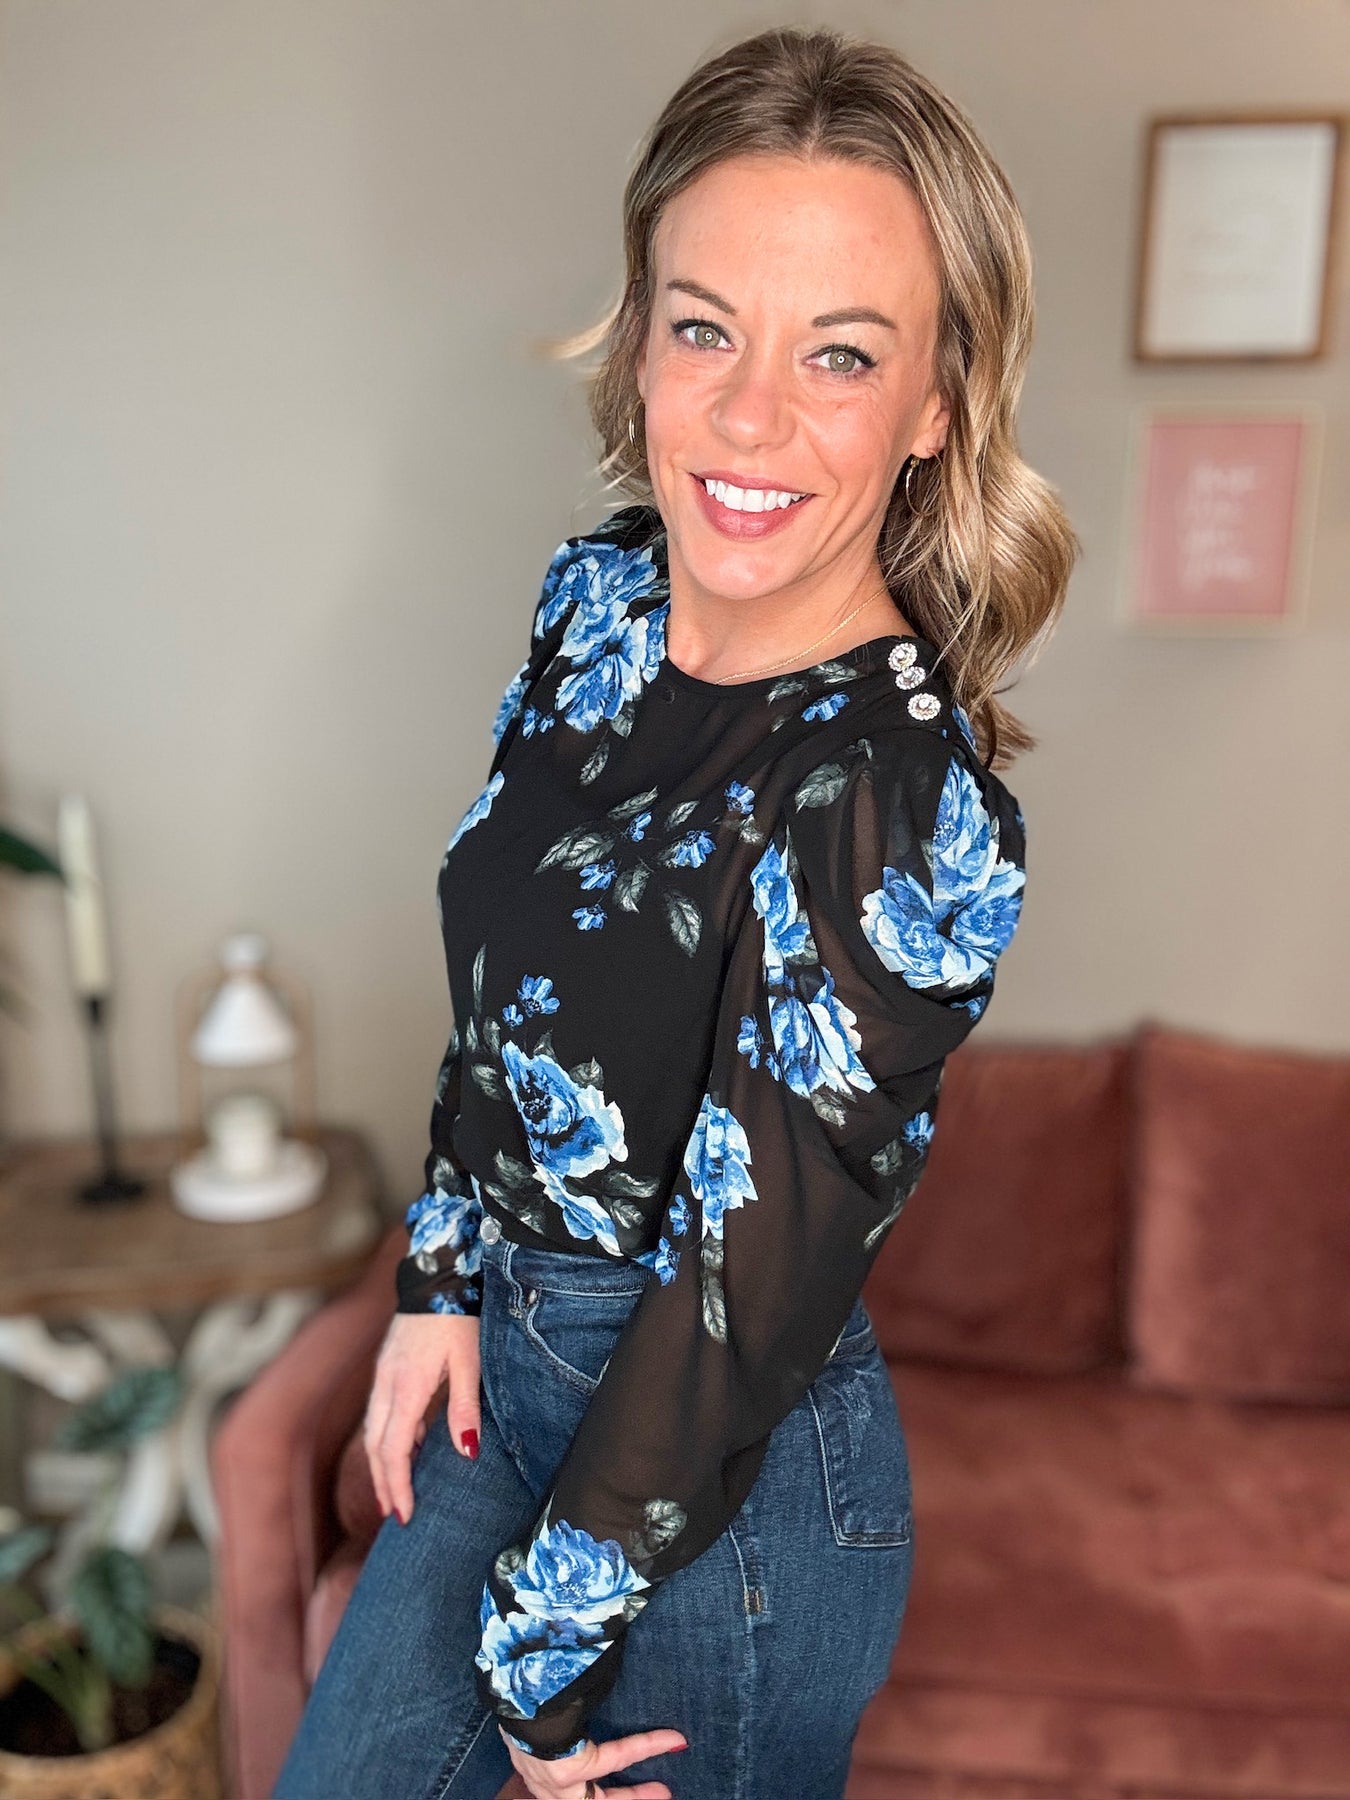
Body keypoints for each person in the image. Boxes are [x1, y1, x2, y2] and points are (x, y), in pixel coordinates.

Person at [274, 23, 1075, 1800]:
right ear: (637, 333)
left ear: (937, 404)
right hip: (509, 1373)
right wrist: (438, 1279)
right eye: (704, 326)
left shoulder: (899, 796)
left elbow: (750, 1285)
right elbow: (508, 987)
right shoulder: (600, 604)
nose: (747, 415)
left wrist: (538, 1656)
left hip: (722, 1497)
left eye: (840, 354)